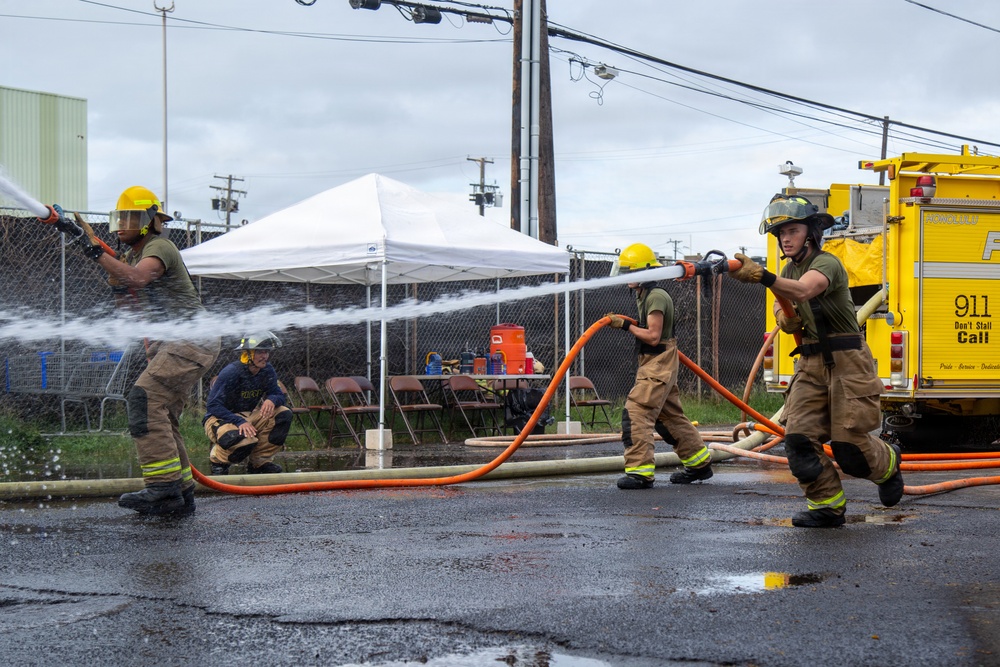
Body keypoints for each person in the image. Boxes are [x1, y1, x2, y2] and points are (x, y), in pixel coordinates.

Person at [730, 193, 904, 528]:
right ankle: (826, 505)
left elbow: (804, 290)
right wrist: (784, 317)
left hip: (847, 361)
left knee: (849, 449)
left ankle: (888, 463)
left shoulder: (826, 263)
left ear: (811, 232)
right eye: (780, 232)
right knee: (798, 441)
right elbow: (784, 299)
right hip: (809, 363)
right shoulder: (787, 269)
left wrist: (764, 277)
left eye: (792, 230)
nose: (784, 238)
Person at [70, 186, 220, 515]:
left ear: (150, 220)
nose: (122, 224)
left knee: (144, 399)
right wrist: (114, 278)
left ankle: (163, 491)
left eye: (131, 217)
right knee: (163, 414)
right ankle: (180, 492)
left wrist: (100, 256)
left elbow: (139, 279)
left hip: (192, 338)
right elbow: (130, 305)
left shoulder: (159, 246)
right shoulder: (132, 257)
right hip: (174, 342)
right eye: (119, 218)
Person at [605, 242, 714, 490]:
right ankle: (699, 464)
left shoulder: (655, 295)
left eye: (630, 272)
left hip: (658, 360)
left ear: (644, 272)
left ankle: (640, 472)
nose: (627, 278)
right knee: (668, 416)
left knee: (637, 411)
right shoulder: (645, 294)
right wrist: (630, 322)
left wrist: (625, 325)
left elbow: (653, 336)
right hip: (655, 360)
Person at [204, 332, 292, 475]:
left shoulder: (267, 370)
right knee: (244, 440)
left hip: (247, 417)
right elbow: (213, 406)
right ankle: (218, 462)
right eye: (260, 352)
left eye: (267, 351)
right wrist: (239, 421)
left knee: (283, 413)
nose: (265, 356)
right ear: (248, 354)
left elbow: (279, 395)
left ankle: (259, 463)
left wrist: (272, 399)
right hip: (220, 419)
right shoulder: (232, 372)